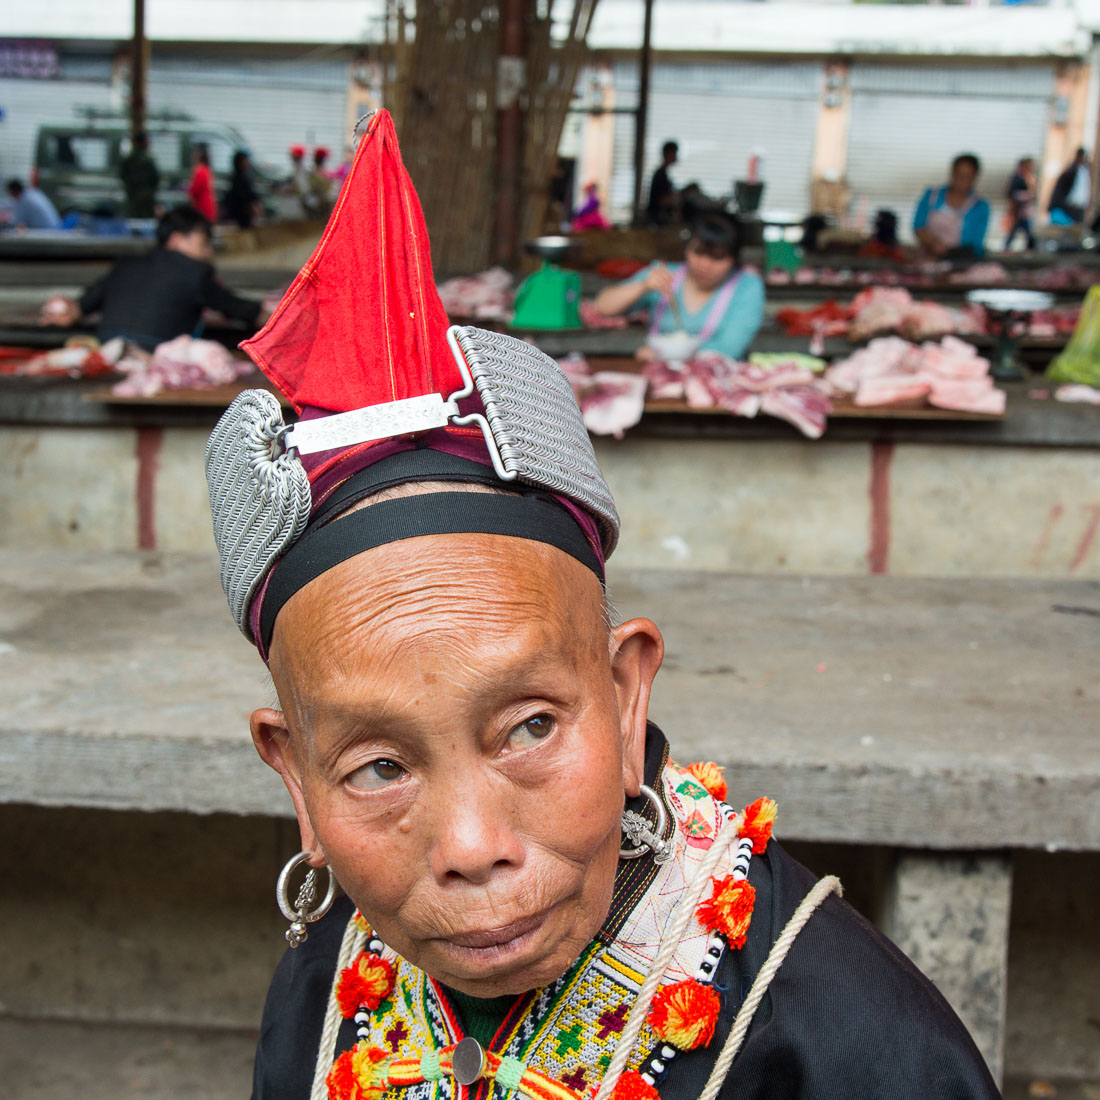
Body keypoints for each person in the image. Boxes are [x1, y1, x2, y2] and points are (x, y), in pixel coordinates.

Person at [202, 111, 999, 1100]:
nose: (467, 846)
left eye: (529, 724)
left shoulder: (846, 1046)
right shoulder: (327, 987)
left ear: (626, 699)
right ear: (294, 778)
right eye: (375, 767)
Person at [41, 204, 263, 350]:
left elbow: (80, 307)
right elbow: (241, 309)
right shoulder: (196, 273)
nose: (208, 252)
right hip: (154, 364)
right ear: (175, 239)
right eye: (204, 243)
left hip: (105, 357)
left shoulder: (126, 265)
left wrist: (65, 311)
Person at [592, 212, 765, 361]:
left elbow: (730, 348)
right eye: (698, 252)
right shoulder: (665, 274)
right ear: (686, 248)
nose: (704, 265)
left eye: (717, 258)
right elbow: (603, 307)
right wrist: (643, 286)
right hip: (661, 380)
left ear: (734, 260)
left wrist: (665, 355)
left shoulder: (747, 286)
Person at [912, 153, 990, 258]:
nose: (961, 180)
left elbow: (975, 244)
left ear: (975, 177)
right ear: (952, 173)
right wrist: (933, 243)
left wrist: (949, 254)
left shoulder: (980, 207)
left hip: (961, 260)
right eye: (958, 175)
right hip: (928, 255)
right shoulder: (931, 196)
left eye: (967, 176)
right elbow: (918, 226)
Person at [119, 130, 160, 219]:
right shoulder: (148, 160)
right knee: (146, 223)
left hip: (133, 197)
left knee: (133, 222)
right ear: (142, 142)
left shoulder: (129, 159)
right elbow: (155, 178)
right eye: (147, 141)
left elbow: (122, 175)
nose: (148, 143)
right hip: (146, 198)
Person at [1049, 147, 1090, 225]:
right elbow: (1060, 190)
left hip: (1078, 207)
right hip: (1068, 207)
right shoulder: (1071, 171)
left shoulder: (1084, 170)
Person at [1004, 157, 1036, 249]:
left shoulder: (1028, 178)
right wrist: (1027, 195)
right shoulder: (1016, 178)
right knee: (1014, 232)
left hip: (1024, 212)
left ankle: (1030, 249)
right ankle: (1006, 248)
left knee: (1027, 232)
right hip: (1017, 211)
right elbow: (1011, 193)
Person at [224, 149, 260, 229]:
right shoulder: (238, 178)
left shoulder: (244, 176)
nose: (248, 162)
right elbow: (244, 196)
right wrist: (252, 206)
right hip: (242, 213)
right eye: (246, 160)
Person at [646, 140, 679, 226]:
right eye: (675, 153)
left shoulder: (664, 174)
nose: (676, 157)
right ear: (668, 154)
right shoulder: (660, 175)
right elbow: (661, 201)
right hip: (657, 221)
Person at [187, 143, 218, 223]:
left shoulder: (199, 171)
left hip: (202, 205)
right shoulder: (207, 169)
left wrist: (189, 195)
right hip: (208, 203)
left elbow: (194, 190)